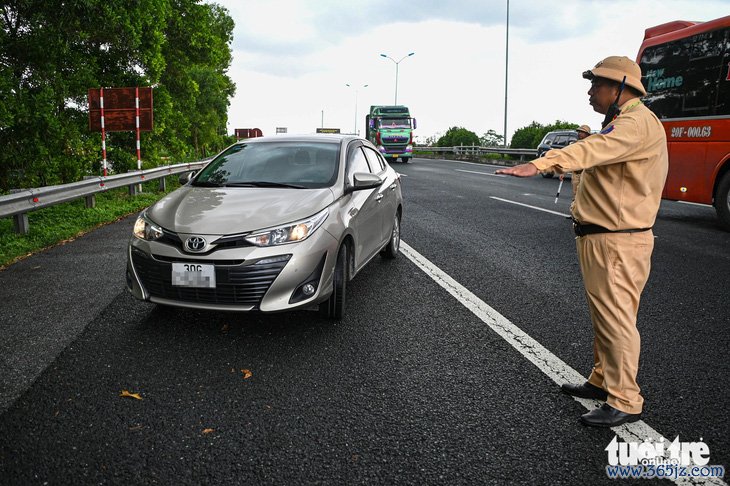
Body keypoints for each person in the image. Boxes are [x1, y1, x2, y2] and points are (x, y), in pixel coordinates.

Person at [496, 56, 668, 427]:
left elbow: (594, 153)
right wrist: (589, 144)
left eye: (597, 85)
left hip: (617, 241)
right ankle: (603, 380)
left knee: (617, 318)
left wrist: (542, 162)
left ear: (620, 89)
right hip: (604, 238)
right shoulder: (623, 126)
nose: (591, 92)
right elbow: (602, 158)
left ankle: (625, 398)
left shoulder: (635, 124)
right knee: (605, 316)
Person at [563, 125, 592, 212]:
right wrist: (563, 172)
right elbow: (569, 159)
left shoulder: (591, 144)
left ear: (587, 134)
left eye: (581, 132)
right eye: (578, 132)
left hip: (586, 173)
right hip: (576, 173)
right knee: (575, 194)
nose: (579, 133)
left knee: (586, 195)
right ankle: (574, 212)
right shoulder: (575, 144)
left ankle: (585, 214)